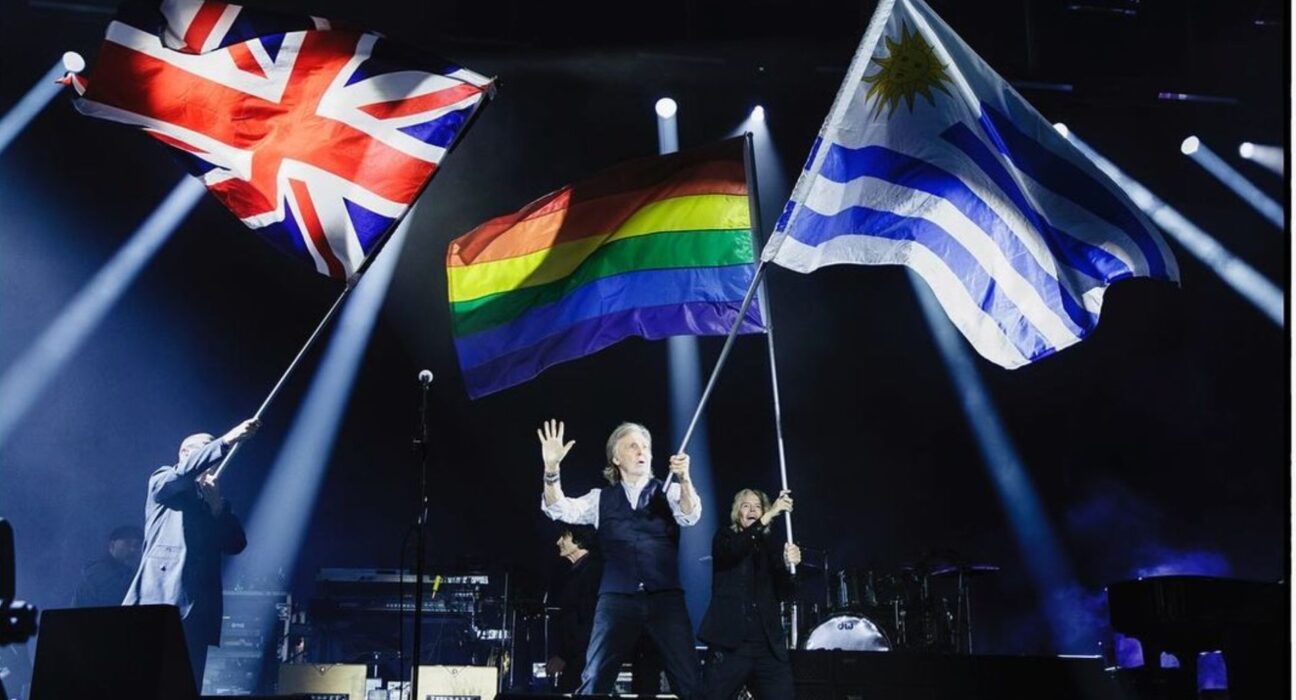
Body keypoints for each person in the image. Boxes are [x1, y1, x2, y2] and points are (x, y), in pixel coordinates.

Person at [539, 419, 702, 698]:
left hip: (664, 598)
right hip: (616, 599)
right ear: (616, 458)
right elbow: (558, 508)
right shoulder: (600, 499)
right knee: (594, 678)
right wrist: (552, 469)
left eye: (645, 447)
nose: (642, 451)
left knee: (689, 679)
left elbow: (691, 514)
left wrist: (685, 479)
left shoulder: (670, 491)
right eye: (632, 446)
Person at [123, 418, 258, 689]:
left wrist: (217, 505)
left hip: (198, 610)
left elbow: (236, 544)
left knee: (185, 683)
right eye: (204, 449)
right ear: (185, 454)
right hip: (160, 600)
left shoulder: (211, 499)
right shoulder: (165, 482)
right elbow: (182, 474)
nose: (215, 458)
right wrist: (226, 440)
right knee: (146, 682)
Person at [699, 488, 801, 700]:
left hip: (767, 646)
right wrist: (770, 513)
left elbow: (785, 593)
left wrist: (788, 565)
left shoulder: (769, 548)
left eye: (757, 507)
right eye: (746, 506)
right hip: (731, 645)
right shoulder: (724, 537)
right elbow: (735, 550)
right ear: (738, 512)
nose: (752, 510)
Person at [547, 525, 602, 692]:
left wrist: (564, 655)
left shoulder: (591, 572)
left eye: (563, 537)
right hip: (578, 656)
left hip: (583, 657)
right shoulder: (579, 571)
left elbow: (588, 619)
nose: (558, 542)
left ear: (578, 540)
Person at [71, 525, 143, 608]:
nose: (132, 549)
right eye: (127, 543)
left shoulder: (133, 572)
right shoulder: (98, 572)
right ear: (112, 545)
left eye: (137, 545)